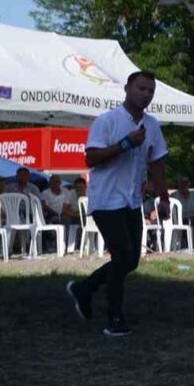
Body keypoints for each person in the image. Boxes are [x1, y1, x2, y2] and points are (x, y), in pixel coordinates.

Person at [65, 70, 169, 338]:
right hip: (106, 199)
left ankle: (85, 289)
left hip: (131, 200)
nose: (146, 95)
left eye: (150, 91)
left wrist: (163, 197)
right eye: (141, 89)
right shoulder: (107, 121)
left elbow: (157, 162)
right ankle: (115, 317)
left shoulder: (152, 125)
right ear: (127, 89)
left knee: (131, 260)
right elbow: (91, 159)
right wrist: (124, 144)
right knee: (122, 255)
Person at [174, 177, 194, 250]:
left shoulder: (193, 196)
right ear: (179, 184)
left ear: (189, 184)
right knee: (187, 223)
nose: (184, 185)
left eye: (186, 183)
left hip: (191, 217)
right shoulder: (174, 195)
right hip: (178, 218)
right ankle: (185, 245)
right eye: (182, 183)